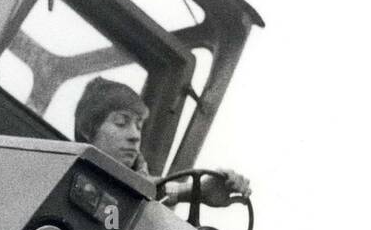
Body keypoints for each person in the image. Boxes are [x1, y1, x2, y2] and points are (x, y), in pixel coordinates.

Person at [73, 76, 250, 209]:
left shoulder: (135, 194)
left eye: (139, 126)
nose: (135, 135)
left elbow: (153, 188)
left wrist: (199, 191)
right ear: (88, 129)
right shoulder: (61, 175)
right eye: (121, 122)